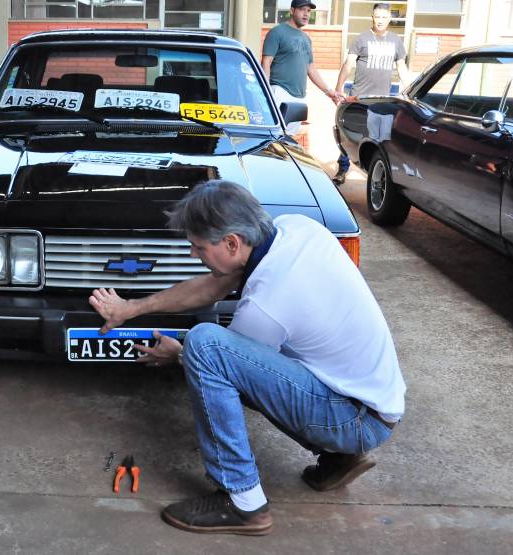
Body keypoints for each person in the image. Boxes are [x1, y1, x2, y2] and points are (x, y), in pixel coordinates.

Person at [89, 180, 406, 536]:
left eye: (198, 247)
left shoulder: (266, 304)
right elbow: (212, 286)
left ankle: (242, 501)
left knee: (205, 344)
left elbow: (223, 367)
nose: (195, 255)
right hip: (368, 402)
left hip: (353, 419)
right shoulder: (295, 229)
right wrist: (131, 309)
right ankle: (338, 458)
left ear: (231, 242)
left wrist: (180, 354)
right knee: (214, 349)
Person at [331, 3, 411, 185]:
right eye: (377, 17)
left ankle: (376, 177)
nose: (380, 21)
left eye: (384, 17)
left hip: (382, 102)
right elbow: (348, 64)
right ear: (372, 17)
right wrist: (338, 89)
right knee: (350, 137)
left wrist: (410, 92)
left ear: (389, 19)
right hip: (360, 99)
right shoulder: (361, 39)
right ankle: (342, 169)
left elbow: (402, 68)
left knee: (381, 141)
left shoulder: (396, 41)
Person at [261, 0, 344, 135]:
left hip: (299, 97)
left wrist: (330, 92)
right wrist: (265, 93)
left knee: (289, 140)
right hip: (279, 92)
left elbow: (311, 69)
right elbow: (266, 62)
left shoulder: (306, 38)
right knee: (273, 136)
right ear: (292, 11)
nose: (306, 14)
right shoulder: (277, 32)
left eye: (308, 11)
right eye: (302, 9)